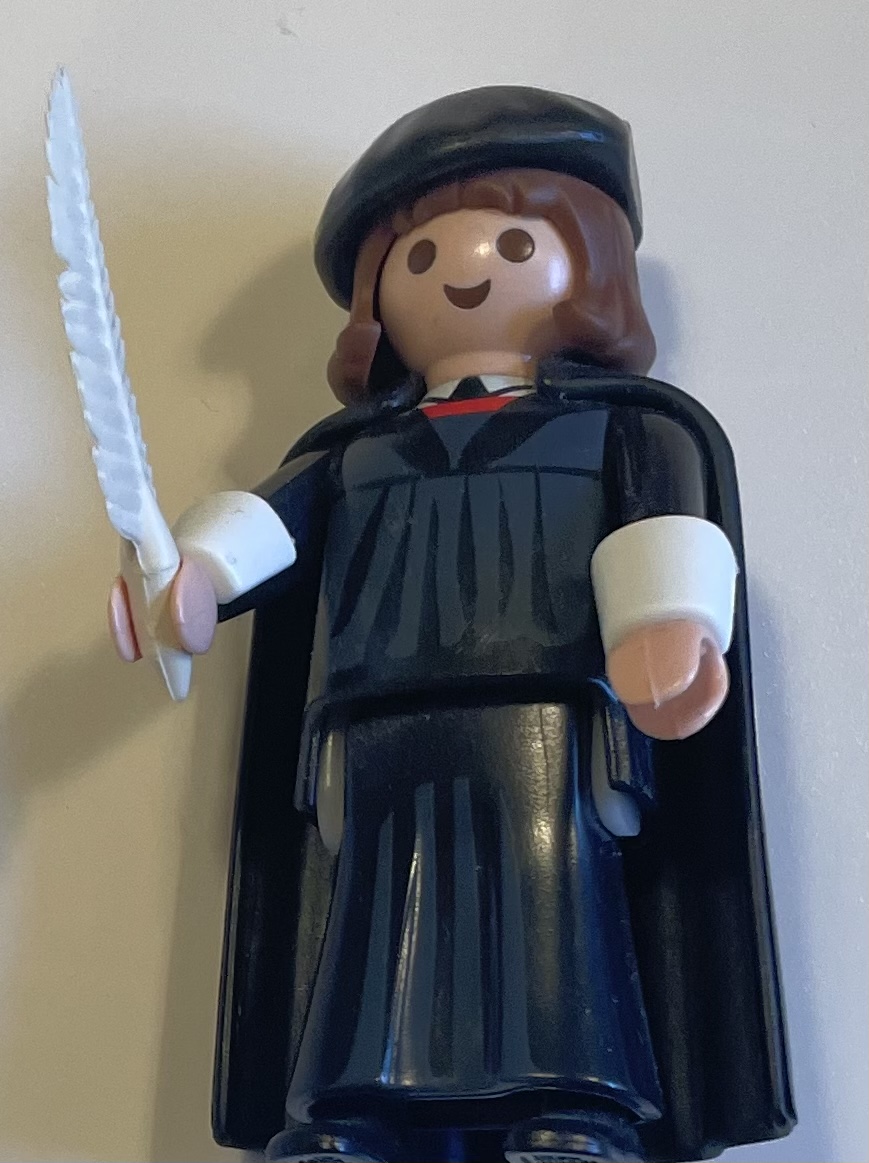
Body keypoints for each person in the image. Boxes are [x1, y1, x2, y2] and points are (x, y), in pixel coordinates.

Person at [109, 87, 794, 1163]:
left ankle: (573, 1098)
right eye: (418, 258)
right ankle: (350, 1102)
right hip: (376, 706)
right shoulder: (350, 449)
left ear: (588, 264)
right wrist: (192, 580)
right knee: (374, 905)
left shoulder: (622, 427)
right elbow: (265, 530)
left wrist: (663, 627)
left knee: (548, 886)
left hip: (548, 706)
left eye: (515, 243)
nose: (462, 274)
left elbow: (664, 529)